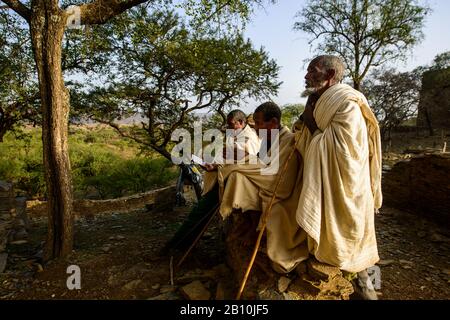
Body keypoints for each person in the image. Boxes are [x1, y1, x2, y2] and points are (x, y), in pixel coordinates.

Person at [293, 55, 382, 300]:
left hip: (350, 191)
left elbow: (346, 154)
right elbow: (311, 139)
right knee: (340, 257)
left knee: (356, 256)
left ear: (330, 75)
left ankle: (368, 292)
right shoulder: (320, 101)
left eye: (313, 70)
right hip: (327, 186)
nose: (307, 75)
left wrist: (311, 123)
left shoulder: (347, 104)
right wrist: (306, 122)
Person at [160, 109, 260, 255]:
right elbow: (229, 158)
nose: (230, 129)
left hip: (230, 182)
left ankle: (176, 246)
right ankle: (183, 245)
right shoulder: (236, 133)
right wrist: (213, 164)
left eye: (232, 125)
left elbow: (247, 163)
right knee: (200, 212)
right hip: (222, 176)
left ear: (241, 122)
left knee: (199, 212)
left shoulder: (249, 139)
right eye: (229, 126)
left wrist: (217, 166)